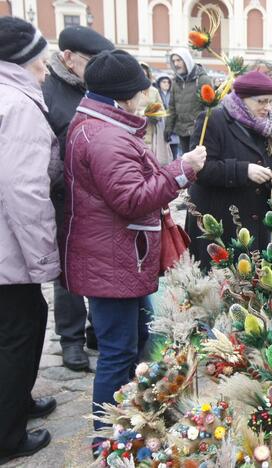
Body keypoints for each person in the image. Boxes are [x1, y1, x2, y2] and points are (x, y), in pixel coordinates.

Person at [62, 50, 206, 446]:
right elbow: (130, 199)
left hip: (117, 255)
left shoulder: (102, 126)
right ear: (124, 96)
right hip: (113, 259)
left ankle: (132, 422)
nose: (146, 98)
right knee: (117, 353)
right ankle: (107, 439)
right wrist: (182, 170)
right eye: (142, 92)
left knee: (135, 343)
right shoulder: (107, 137)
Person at [0, 17, 61, 464]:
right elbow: (25, 190)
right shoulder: (17, 105)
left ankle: (17, 401)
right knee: (20, 330)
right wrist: (42, 259)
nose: (46, 68)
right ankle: (7, 434)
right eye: (41, 60)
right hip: (8, 247)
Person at [41, 25, 114, 371]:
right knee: (66, 273)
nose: (99, 68)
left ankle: (95, 329)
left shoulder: (99, 88)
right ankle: (70, 339)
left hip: (97, 196)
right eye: (92, 61)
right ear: (68, 59)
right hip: (61, 197)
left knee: (97, 265)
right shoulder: (46, 91)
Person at [186, 71, 272, 269]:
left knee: (252, 285)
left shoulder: (265, 125)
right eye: (261, 102)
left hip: (254, 219)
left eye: (270, 101)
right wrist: (243, 171)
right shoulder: (213, 119)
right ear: (242, 99)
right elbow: (200, 170)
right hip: (220, 219)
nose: (267, 108)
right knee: (221, 285)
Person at [165, 47, 212, 153]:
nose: (176, 64)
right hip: (182, 131)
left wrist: (206, 129)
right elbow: (172, 107)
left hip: (198, 132)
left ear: (186, 60)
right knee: (186, 164)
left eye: (179, 60)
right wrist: (168, 128)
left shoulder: (202, 79)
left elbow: (209, 107)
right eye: (174, 61)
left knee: (199, 164)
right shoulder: (176, 82)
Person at [137, 62, 171, 165]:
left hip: (152, 130)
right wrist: (142, 113)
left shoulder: (154, 91)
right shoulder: (131, 90)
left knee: (152, 160)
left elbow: (161, 109)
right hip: (136, 128)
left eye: (145, 75)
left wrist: (156, 115)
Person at [157, 75, 179, 157]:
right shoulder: (157, 93)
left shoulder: (173, 94)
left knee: (174, 152)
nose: (167, 84)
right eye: (164, 82)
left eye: (168, 82)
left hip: (173, 126)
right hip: (161, 125)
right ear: (159, 83)